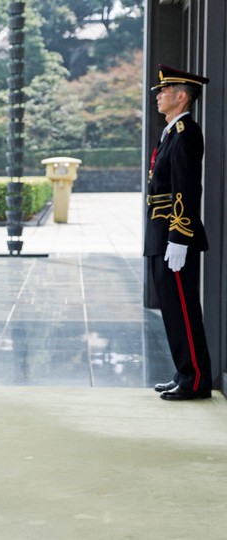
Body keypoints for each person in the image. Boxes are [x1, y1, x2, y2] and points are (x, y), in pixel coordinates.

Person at [145, 64, 212, 401]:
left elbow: (186, 188)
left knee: (183, 309)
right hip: (161, 232)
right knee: (172, 309)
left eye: (164, 91)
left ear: (181, 96)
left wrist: (179, 236)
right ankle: (184, 373)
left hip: (174, 233)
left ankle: (196, 380)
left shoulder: (186, 133)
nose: (158, 96)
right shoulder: (172, 131)